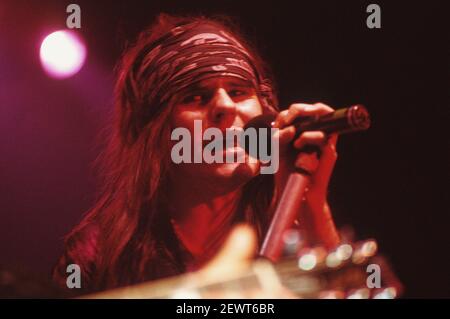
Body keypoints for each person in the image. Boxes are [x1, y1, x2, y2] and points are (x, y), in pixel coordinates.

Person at [53, 13, 341, 296]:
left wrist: (312, 204)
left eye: (239, 92)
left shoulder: (294, 230)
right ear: (157, 133)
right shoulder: (98, 255)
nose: (225, 107)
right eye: (195, 97)